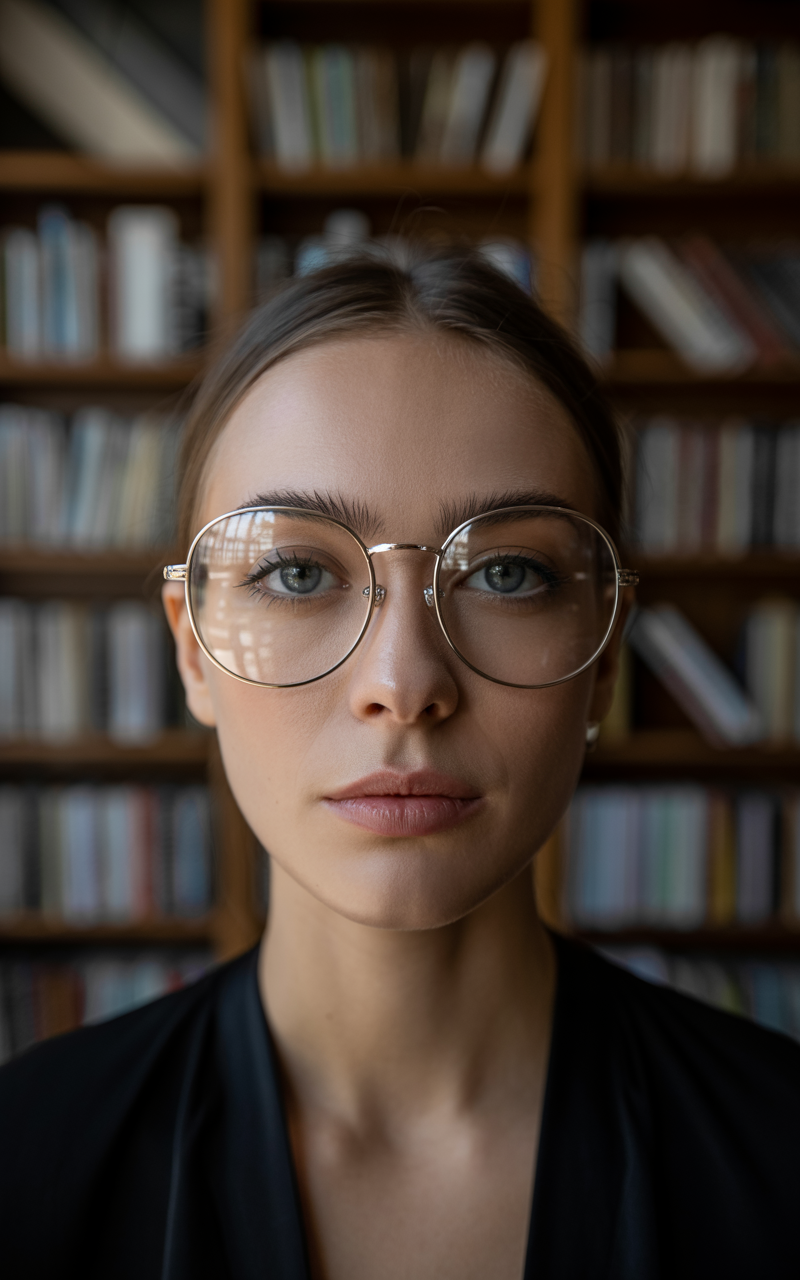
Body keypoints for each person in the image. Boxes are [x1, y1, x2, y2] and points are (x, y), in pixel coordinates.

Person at [1, 252, 799, 1280]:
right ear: (192, 646)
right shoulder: (26, 1167)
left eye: (506, 573)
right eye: (295, 571)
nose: (402, 682)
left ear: (602, 655)